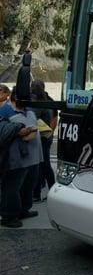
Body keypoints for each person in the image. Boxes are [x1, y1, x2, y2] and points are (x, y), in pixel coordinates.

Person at [0, 86, 43, 228]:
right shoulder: (4, 111)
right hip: (16, 158)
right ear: (15, 97)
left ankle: (23, 209)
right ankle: (8, 215)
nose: (29, 101)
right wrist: (18, 132)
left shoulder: (28, 110)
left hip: (33, 157)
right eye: (25, 98)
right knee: (11, 188)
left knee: (28, 186)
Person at [30, 80, 57, 201]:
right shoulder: (49, 100)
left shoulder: (36, 103)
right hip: (46, 136)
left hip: (40, 137)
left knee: (42, 164)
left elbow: (32, 119)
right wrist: (50, 133)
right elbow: (54, 118)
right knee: (44, 164)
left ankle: (38, 193)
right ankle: (44, 190)